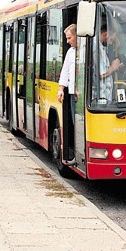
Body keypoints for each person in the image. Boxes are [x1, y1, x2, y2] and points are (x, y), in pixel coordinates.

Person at [57, 24, 77, 165]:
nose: (68, 41)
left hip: (82, 95)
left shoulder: (88, 50)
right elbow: (65, 72)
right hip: (72, 94)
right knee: (74, 124)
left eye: (69, 38)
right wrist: (61, 89)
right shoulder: (71, 52)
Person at [98, 24, 123, 102]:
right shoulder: (96, 49)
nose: (111, 43)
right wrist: (113, 67)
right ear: (106, 34)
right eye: (111, 39)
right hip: (101, 98)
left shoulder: (101, 48)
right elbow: (99, 75)